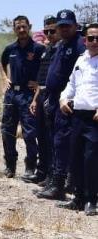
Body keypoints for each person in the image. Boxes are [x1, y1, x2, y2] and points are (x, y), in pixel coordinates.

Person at [38, 9, 86, 201]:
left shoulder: (80, 45)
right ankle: (55, 179)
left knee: (62, 142)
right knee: (54, 140)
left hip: (68, 100)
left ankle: (60, 184)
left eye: (67, 25)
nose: (63, 29)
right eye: (61, 26)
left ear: (75, 25)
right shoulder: (61, 44)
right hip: (55, 97)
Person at [58, 22, 98, 216]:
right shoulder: (81, 60)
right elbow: (70, 84)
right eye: (91, 38)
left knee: (91, 160)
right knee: (75, 158)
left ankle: (92, 200)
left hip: (95, 118)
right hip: (77, 116)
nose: (94, 41)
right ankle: (78, 198)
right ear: (85, 40)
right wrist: (63, 98)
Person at [0, 16, 46, 179]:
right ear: (14, 29)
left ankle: (30, 166)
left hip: (29, 94)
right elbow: (2, 63)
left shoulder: (39, 49)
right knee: (7, 131)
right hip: (12, 94)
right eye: (18, 27)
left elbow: (46, 69)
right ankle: (10, 165)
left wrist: (39, 84)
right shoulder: (10, 49)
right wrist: (5, 78)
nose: (21, 30)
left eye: (24, 27)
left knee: (29, 133)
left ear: (29, 27)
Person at [28, 16, 61, 184]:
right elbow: (40, 80)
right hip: (41, 96)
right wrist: (35, 100)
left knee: (51, 138)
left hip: (54, 98)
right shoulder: (46, 50)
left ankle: (52, 175)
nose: (49, 34)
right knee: (40, 135)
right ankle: (42, 171)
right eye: (46, 31)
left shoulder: (61, 50)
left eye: (52, 31)